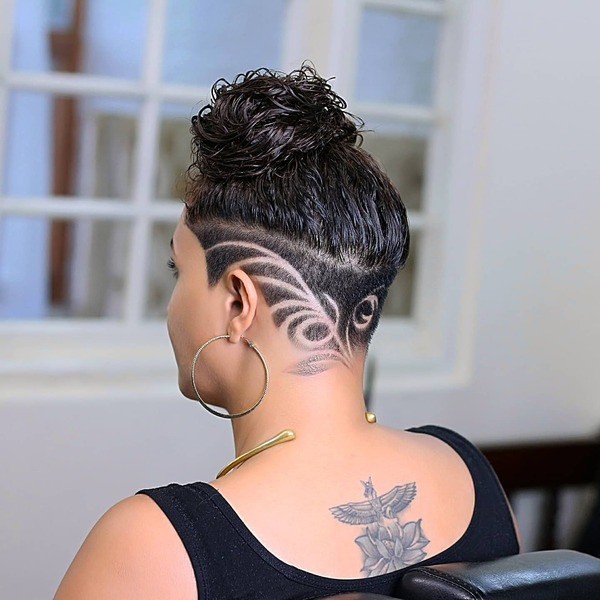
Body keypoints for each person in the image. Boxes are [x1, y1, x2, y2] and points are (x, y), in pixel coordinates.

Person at [54, 64, 521, 600]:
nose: (172, 306)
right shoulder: (472, 476)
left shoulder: (151, 546)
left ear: (237, 300)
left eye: (176, 272)